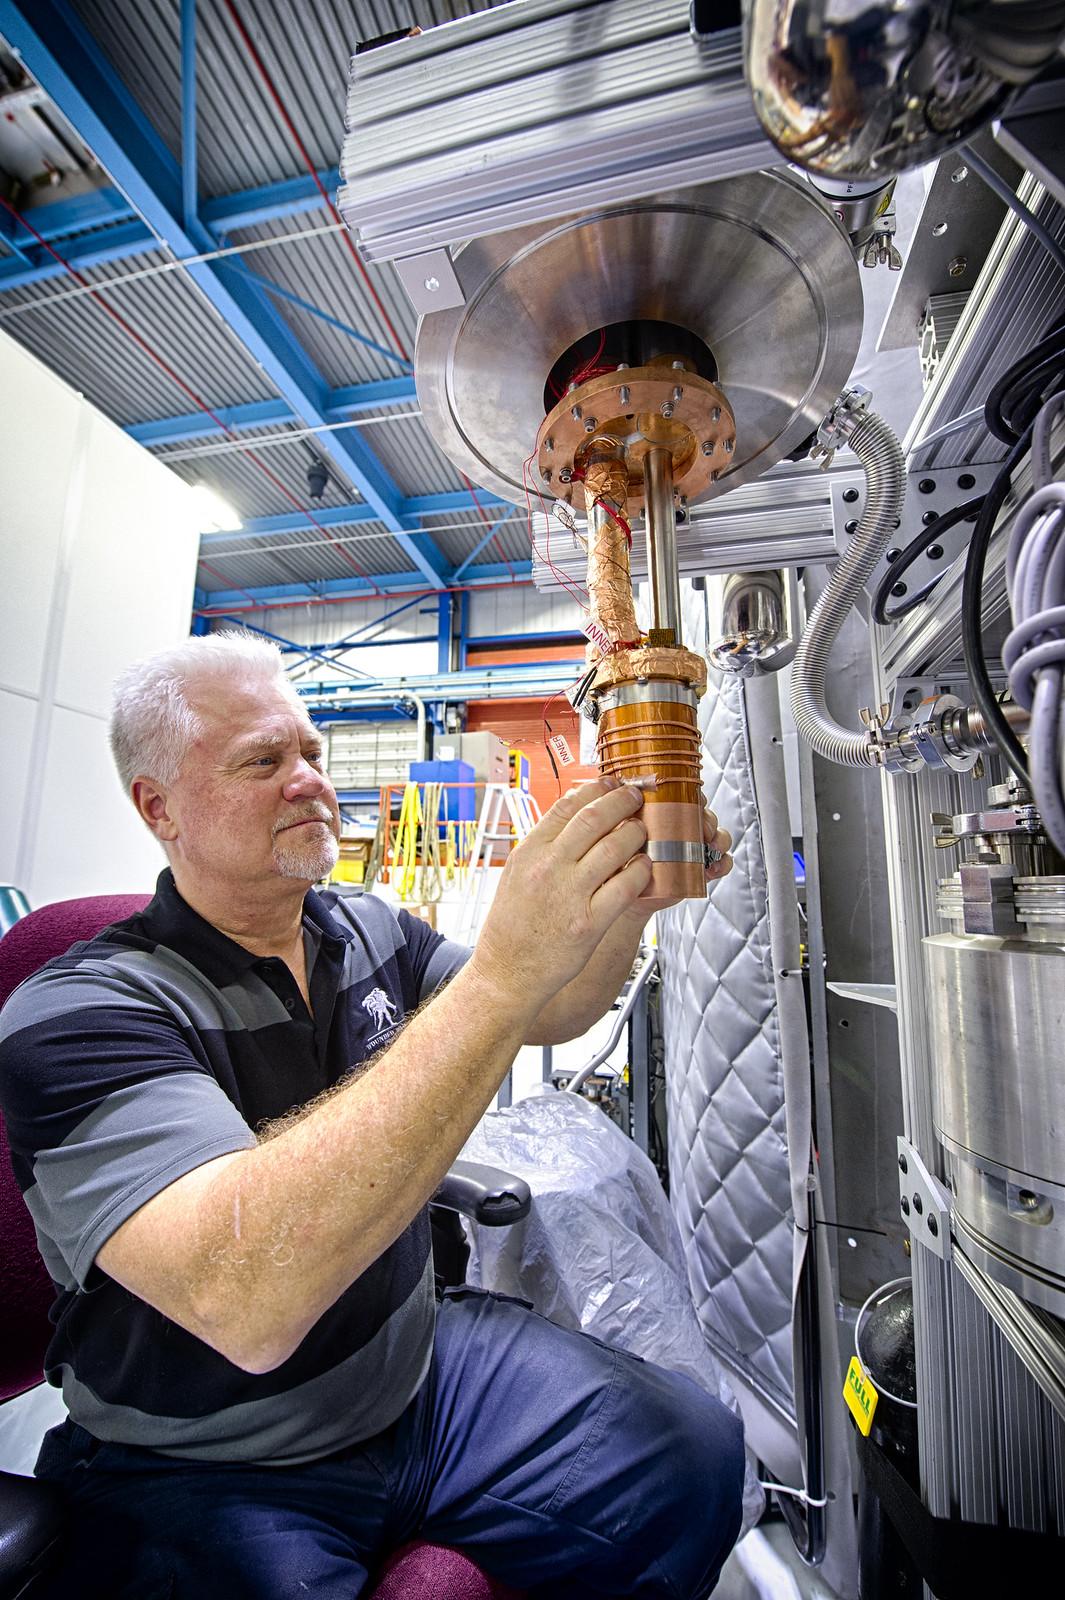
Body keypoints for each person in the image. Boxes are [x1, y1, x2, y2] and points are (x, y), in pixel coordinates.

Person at [0, 631, 744, 1599]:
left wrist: (625, 902)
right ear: (160, 808)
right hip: (211, 1456)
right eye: (263, 760)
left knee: (696, 1458)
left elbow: (548, 1006)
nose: (309, 779)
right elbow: (248, 1294)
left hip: (415, 1375)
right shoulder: (80, 1012)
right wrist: (504, 974)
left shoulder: (364, 925)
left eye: (311, 750)